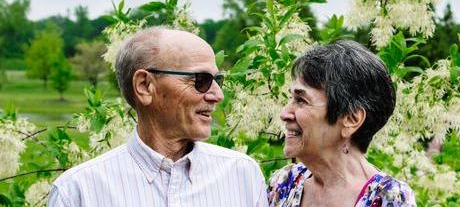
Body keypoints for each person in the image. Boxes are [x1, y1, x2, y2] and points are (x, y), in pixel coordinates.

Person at [48, 26, 268, 207]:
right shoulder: (78, 192)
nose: (218, 95)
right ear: (145, 86)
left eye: (217, 80)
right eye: (201, 80)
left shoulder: (243, 175)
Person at [268, 40, 416, 207]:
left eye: (301, 100)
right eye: (291, 98)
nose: (284, 114)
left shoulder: (389, 198)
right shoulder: (284, 184)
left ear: (351, 119)